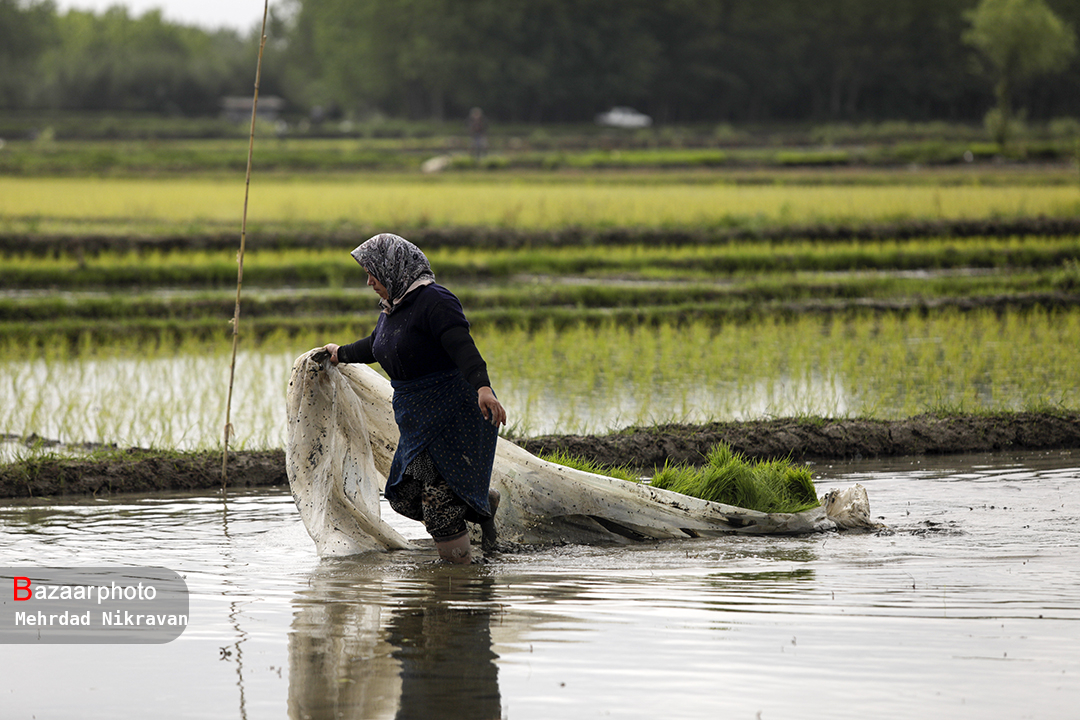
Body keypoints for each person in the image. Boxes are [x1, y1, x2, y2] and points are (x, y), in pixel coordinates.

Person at [322, 233, 507, 564]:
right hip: (418, 421)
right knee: (406, 494)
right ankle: (480, 506)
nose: (368, 282)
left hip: (452, 417)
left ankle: (459, 581)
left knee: (439, 508)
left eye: (372, 274)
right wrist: (341, 353)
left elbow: (462, 346)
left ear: (392, 269)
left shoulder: (436, 302)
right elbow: (377, 345)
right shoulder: (394, 307)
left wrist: (483, 388)